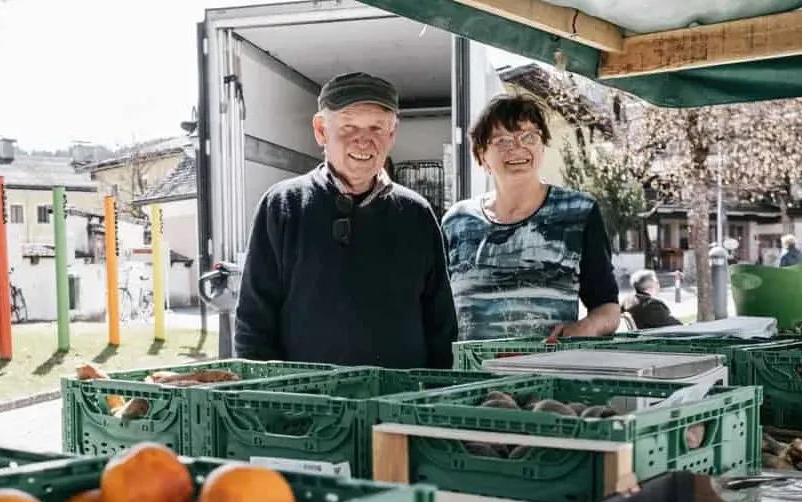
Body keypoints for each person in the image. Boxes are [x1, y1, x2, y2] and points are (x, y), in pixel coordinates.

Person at [235, 72, 457, 367]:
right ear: (321, 130)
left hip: (401, 407)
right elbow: (253, 325)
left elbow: (441, 327)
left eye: (377, 127)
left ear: (392, 134)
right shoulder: (282, 207)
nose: (363, 141)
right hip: (309, 407)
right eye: (348, 126)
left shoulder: (417, 214)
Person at [442, 94, 621, 342]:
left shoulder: (578, 212)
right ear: (482, 155)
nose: (518, 147)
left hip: (547, 374)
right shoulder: (456, 221)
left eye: (529, 137)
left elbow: (608, 308)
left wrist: (585, 328)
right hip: (472, 376)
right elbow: (436, 310)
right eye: (503, 140)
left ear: (542, 146)